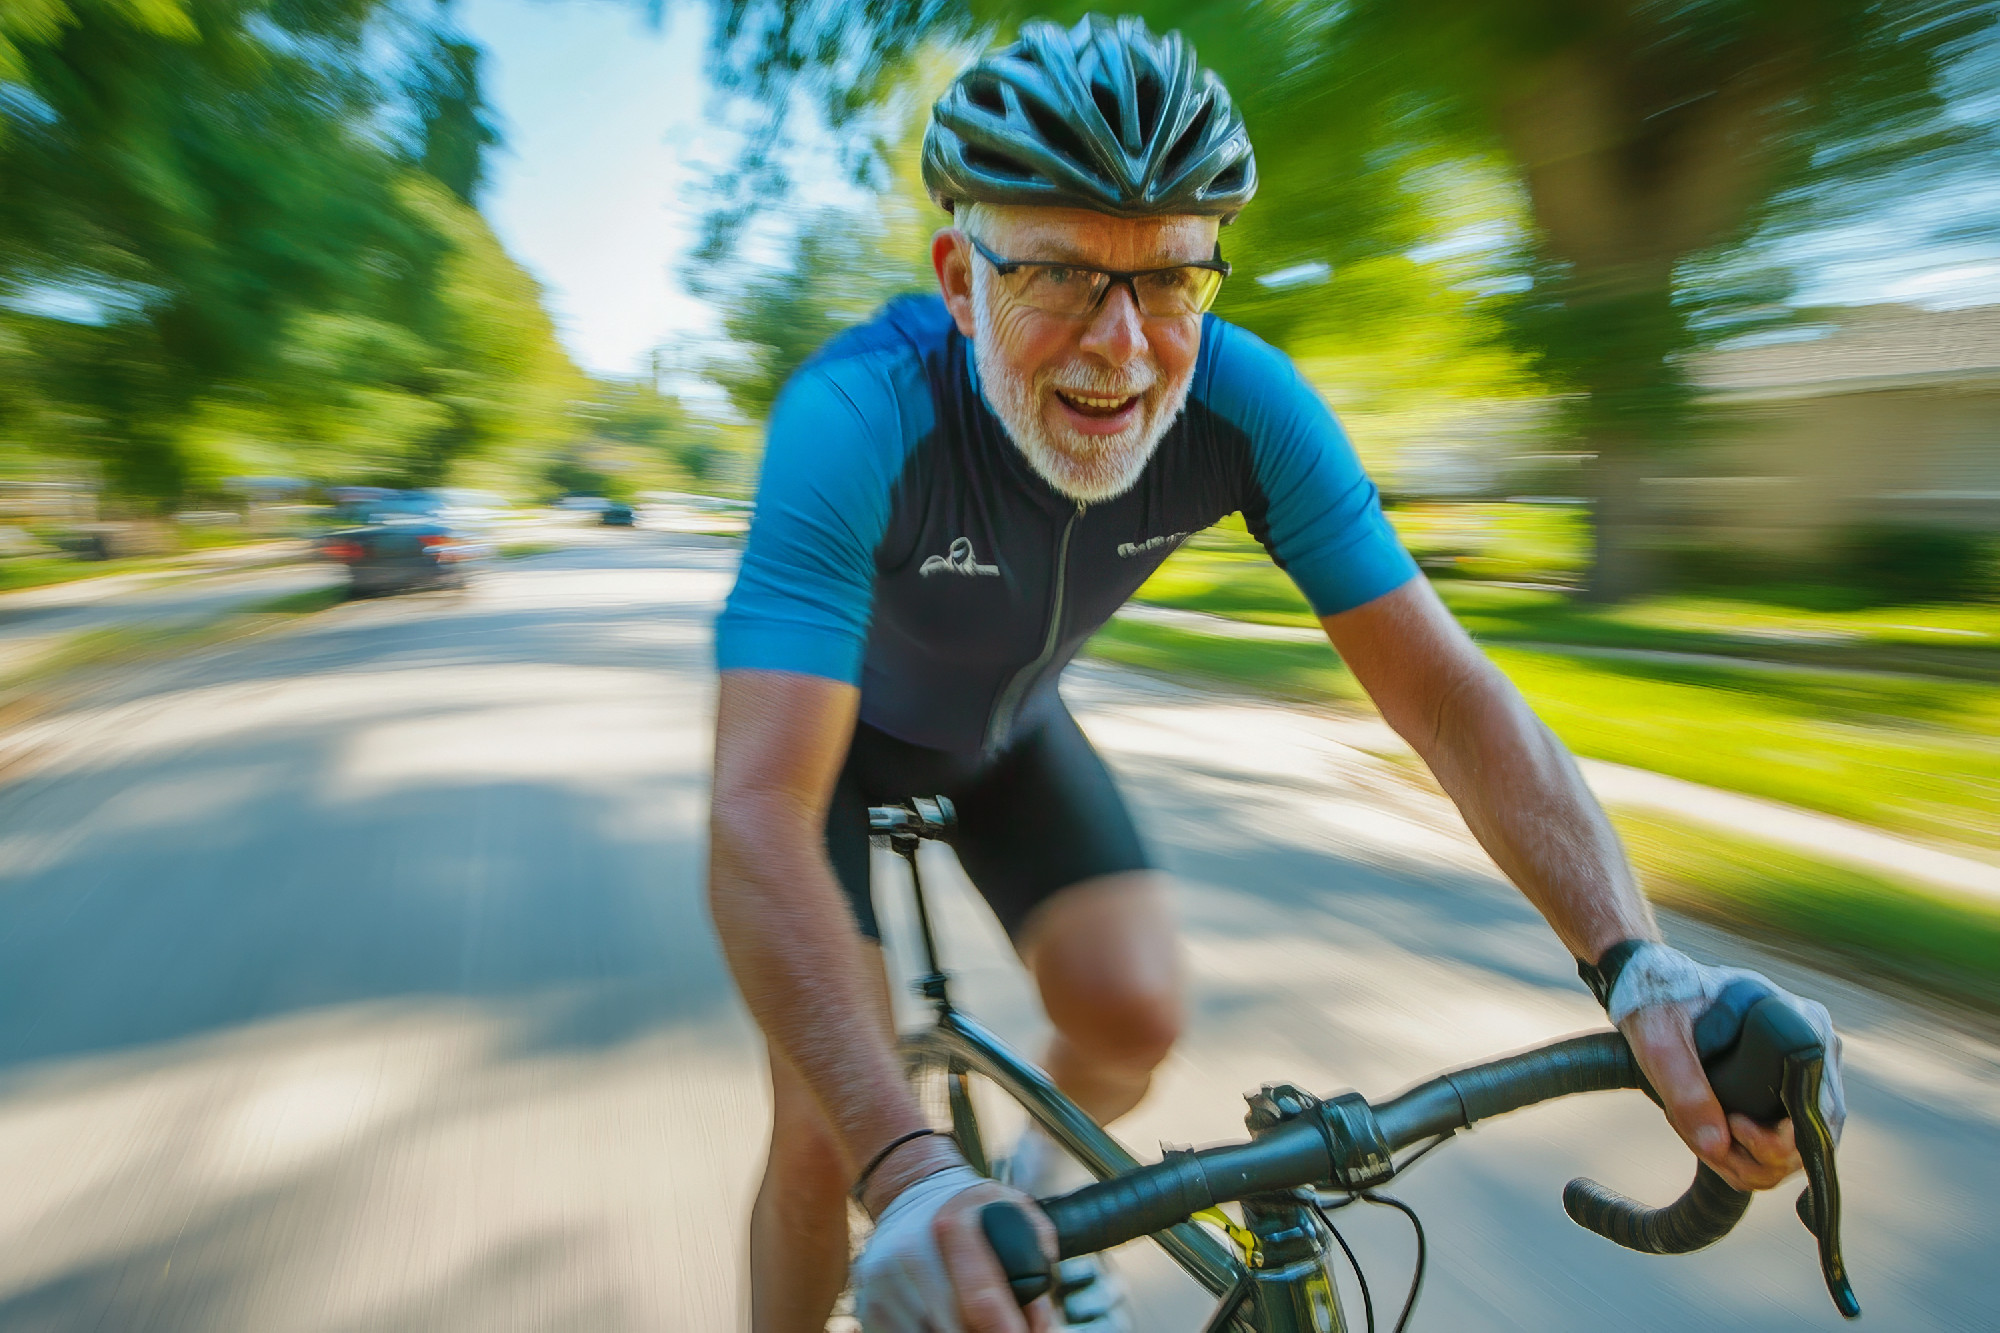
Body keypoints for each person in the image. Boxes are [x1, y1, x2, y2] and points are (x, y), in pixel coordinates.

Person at [707, 14, 1844, 1333]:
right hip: (824, 766)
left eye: (1172, 279)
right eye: (1063, 274)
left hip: (1006, 734)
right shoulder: (856, 419)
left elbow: (1446, 695)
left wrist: (1639, 967)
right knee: (818, 1131)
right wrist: (905, 1168)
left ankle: (1026, 1204)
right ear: (961, 278)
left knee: (1131, 1015)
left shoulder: (1250, 406)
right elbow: (758, 809)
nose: (1121, 345)